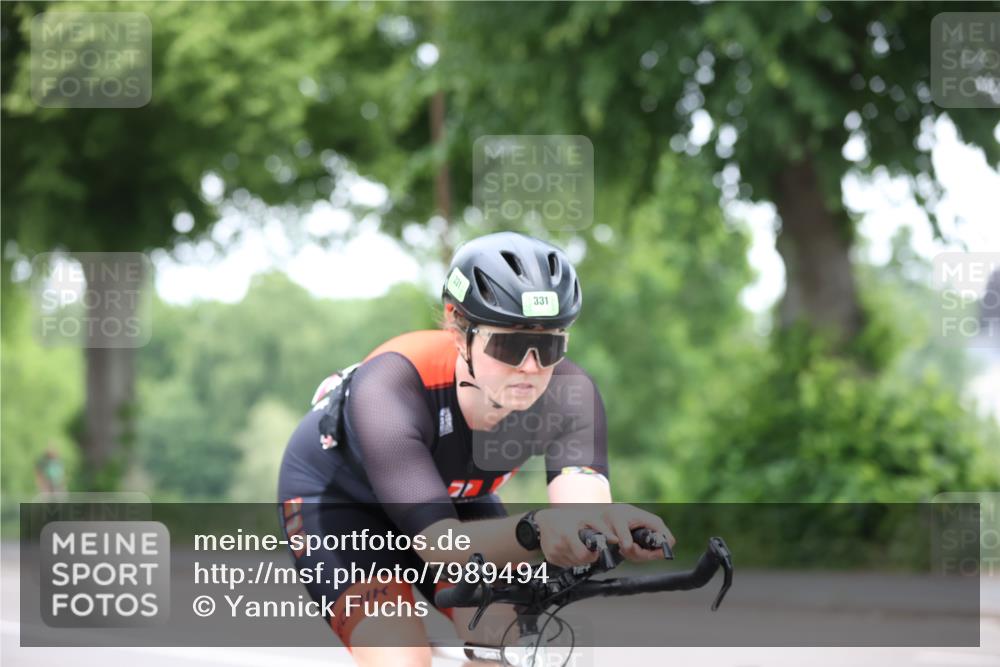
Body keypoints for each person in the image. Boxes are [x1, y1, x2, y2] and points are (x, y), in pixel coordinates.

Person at [278, 232, 674, 666]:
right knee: (400, 655)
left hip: (455, 499)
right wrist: (539, 529)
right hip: (342, 504)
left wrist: (608, 529)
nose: (531, 367)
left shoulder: (567, 394)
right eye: (507, 344)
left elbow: (582, 507)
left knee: (503, 639)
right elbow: (440, 546)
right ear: (457, 326)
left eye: (549, 345)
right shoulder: (391, 384)